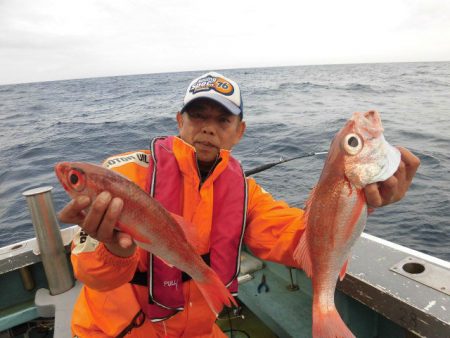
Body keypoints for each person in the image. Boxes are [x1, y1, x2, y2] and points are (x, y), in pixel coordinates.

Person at [58, 71, 420, 337]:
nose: (208, 128)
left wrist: (355, 207)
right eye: (198, 116)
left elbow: (297, 240)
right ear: (179, 121)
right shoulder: (124, 176)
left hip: (199, 331)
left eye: (223, 119)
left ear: (239, 131)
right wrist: (112, 249)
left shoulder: (245, 193)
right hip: (115, 332)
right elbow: (93, 277)